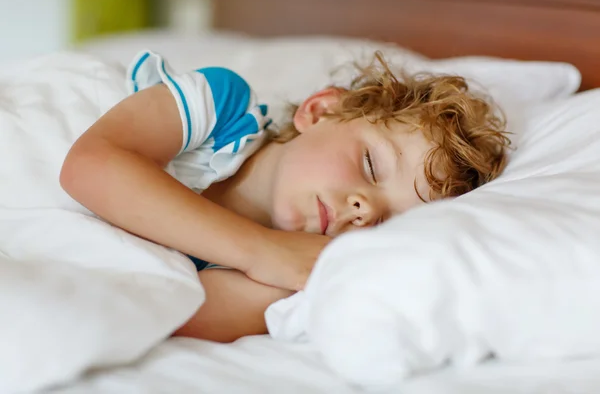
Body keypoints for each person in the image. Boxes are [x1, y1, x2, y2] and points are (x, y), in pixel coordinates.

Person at [60, 50, 510, 342]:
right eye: (371, 166)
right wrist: (260, 249)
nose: (365, 208)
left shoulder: (278, 281)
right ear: (321, 111)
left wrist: (276, 267)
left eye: (386, 221)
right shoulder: (223, 108)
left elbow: (153, 315)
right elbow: (90, 165)